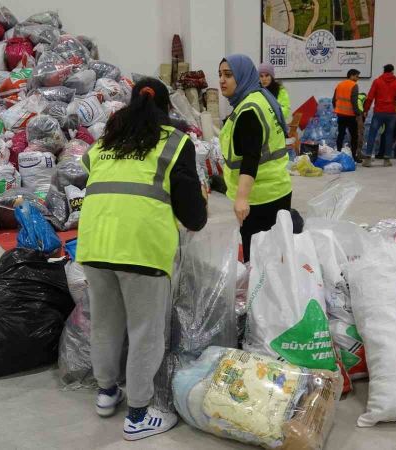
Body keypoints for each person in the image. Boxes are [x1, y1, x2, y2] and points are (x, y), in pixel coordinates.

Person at [76, 77, 207, 441]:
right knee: (146, 332)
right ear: (166, 108)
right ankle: (137, 413)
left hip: (95, 245)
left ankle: (106, 393)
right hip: (142, 248)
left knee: (105, 323)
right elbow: (194, 215)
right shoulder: (175, 143)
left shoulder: (104, 144)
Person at [219, 54, 292, 263]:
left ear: (242, 77)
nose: (222, 80)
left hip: (261, 197)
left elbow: (251, 159)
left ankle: (261, 295)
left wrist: (242, 198)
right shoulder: (260, 98)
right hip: (276, 189)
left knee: (259, 262)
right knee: (274, 258)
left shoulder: (248, 111)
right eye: (220, 75)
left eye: (228, 75)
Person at [362, 64, 396, 167]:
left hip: (378, 112)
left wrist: (366, 110)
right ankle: (387, 160)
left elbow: (370, 97)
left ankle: (368, 159)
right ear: (392, 71)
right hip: (391, 113)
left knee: (372, 134)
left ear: (384, 71)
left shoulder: (377, 81)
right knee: (389, 135)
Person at [332, 69, 362, 162]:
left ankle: (338, 154)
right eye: (357, 76)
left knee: (341, 135)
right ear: (351, 75)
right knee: (354, 136)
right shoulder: (354, 85)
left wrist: (337, 109)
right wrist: (358, 113)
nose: (358, 78)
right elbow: (354, 102)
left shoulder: (339, 85)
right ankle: (354, 156)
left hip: (340, 114)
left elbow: (334, 100)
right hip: (350, 115)